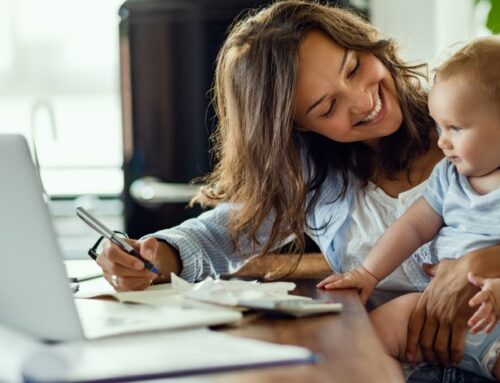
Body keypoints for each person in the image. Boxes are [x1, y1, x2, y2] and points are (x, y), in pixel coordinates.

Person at [96, 1, 500, 380]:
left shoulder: (470, 120)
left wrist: (484, 259)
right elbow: (219, 233)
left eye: (355, 67)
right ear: (301, 126)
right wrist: (151, 254)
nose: (362, 101)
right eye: (327, 108)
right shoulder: (314, 178)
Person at [317, 36, 500, 380]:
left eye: (456, 128)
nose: (442, 141)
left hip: (496, 315)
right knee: (367, 338)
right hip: (432, 311)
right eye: (439, 126)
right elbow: (413, 226)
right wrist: (367, 273)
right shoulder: (448, 177)